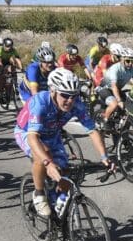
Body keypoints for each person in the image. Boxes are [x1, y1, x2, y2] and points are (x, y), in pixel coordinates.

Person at [14, 68, 114, 216]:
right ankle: (39, 194)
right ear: (53, 90)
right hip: (27, 132)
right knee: (43, 156)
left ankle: (57, 205)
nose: (70, 100)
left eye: (74, 96)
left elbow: (92, 130)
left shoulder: (76, 105)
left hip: (52, 134)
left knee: (65, 171)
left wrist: (104, 157)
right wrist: (48, 163)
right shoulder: (40, 102)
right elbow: (32, 137)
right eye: (65, 95)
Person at [95, 47, 133, 128]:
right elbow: (114, 86)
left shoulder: (132, 70)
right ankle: (104, 119)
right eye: (128, 61)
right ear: (122, 59)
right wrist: (119, 101)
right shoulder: (115, 68)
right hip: (105, 88)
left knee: (129, 104)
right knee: (115, 104)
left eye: (132, 61)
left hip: (116, 89)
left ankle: (119, 120)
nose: (130, 63)